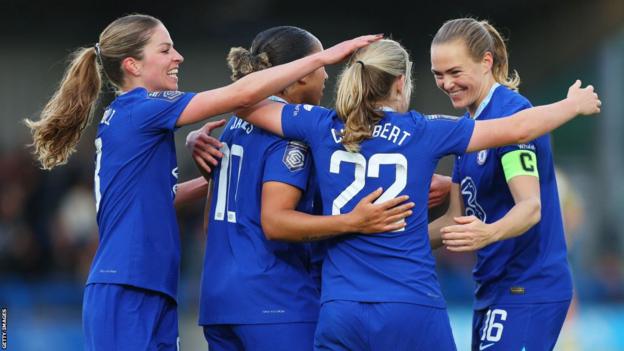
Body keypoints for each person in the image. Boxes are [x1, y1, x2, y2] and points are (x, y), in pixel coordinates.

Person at [24, 13, 381, 351]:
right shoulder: (143, 107)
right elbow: (241, 96)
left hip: (150, 285)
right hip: (128, 285)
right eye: (164, 50)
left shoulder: (132, 118)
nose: (177, 57)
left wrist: (215, 172)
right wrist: (327, 55)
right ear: (133, 65)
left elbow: (151, 198)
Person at [220, 38, 600, 350]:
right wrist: (571, 106)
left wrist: (320, 58)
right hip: (411, 305)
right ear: (401, 83)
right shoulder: (425, 131)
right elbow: (517, 129)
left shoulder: (319, 124)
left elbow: (243, 100)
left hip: (341, 309)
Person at [189, 26, 414, 351]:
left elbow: (210, 224)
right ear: (298, 76)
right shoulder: (291, 134)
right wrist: (355, 221)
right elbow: (276, 222)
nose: (326, 75)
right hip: (276, 301)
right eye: (318, 65)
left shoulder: (232, 129)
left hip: (220, 301)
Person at [427, 18, 582, 351]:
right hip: (492, 287)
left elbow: (530, 207)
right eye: (438, 75)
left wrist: (488, 232)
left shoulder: (512, 117)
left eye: (455, 72)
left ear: (486, 62)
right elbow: (455, 218)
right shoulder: (473, 127)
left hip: (527, 287)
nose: (446, 84)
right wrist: (383, 243)